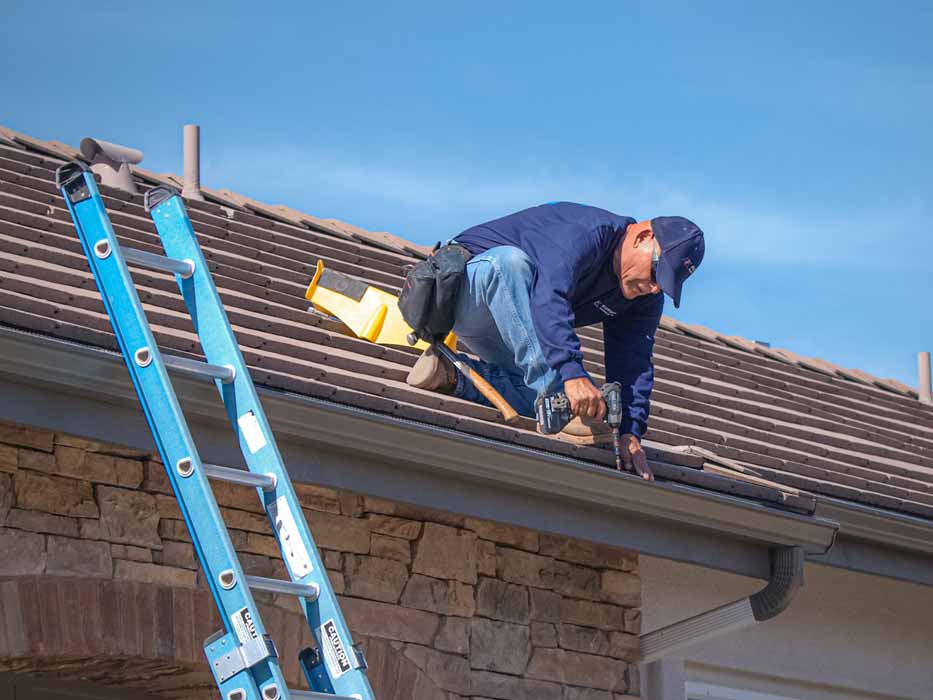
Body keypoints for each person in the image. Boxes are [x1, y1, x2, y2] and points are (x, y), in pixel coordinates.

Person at [406, 201, 705, 481]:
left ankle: (451, 374)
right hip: (463, 291)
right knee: (510, 263)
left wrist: (629, 432)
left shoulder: (644, 296)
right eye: (656, 271)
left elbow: (634, 361)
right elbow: (549, 299)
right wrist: (570, 375)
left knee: (562, 404)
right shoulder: (587, 234)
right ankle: (556, 395)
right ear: (642, 237)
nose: (653, 288)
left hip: (516, 324)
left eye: (663, 283)